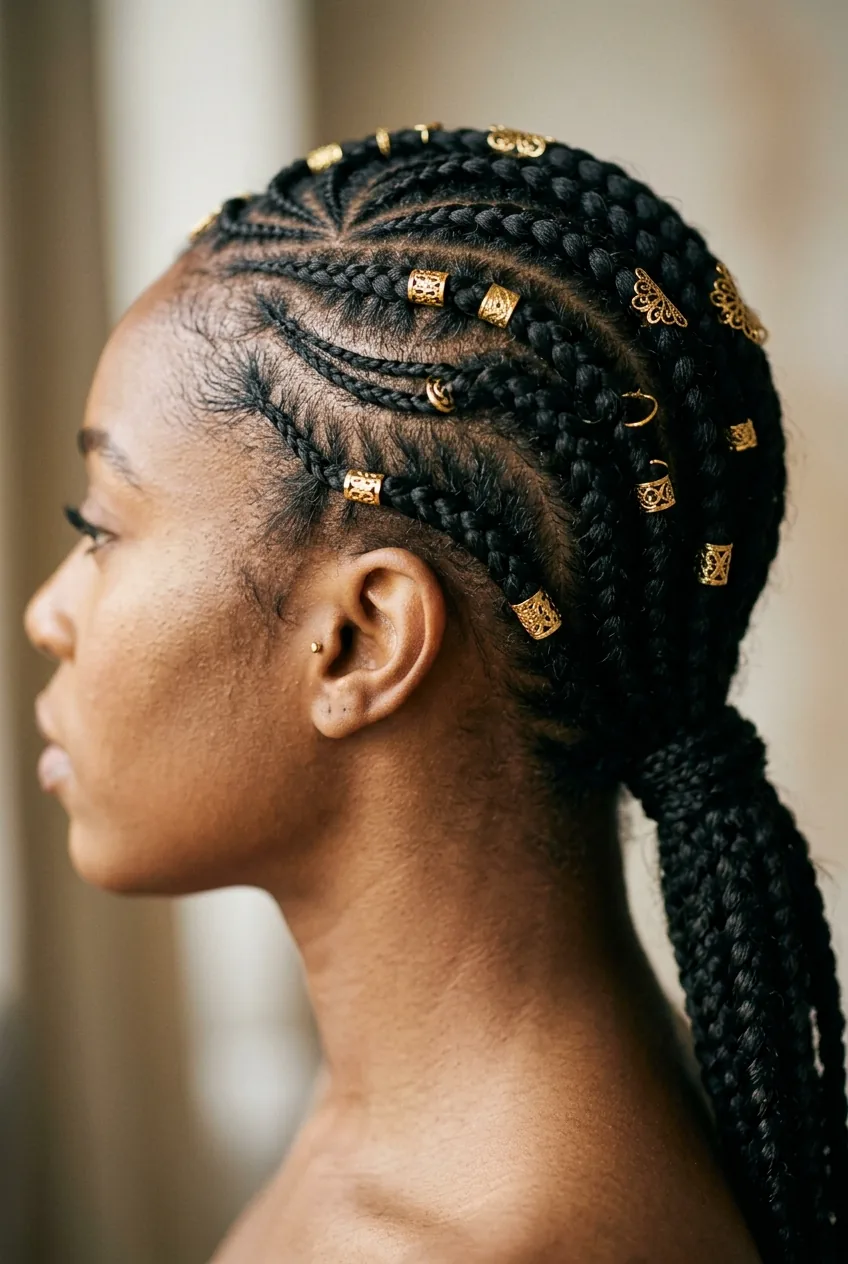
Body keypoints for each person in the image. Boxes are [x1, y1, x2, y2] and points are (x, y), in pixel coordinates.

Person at [23, 122, 847, 1263]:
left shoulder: (502, 1238)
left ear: (359, 642)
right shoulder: (415, 1120)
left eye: (98, 529)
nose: (45, 612)